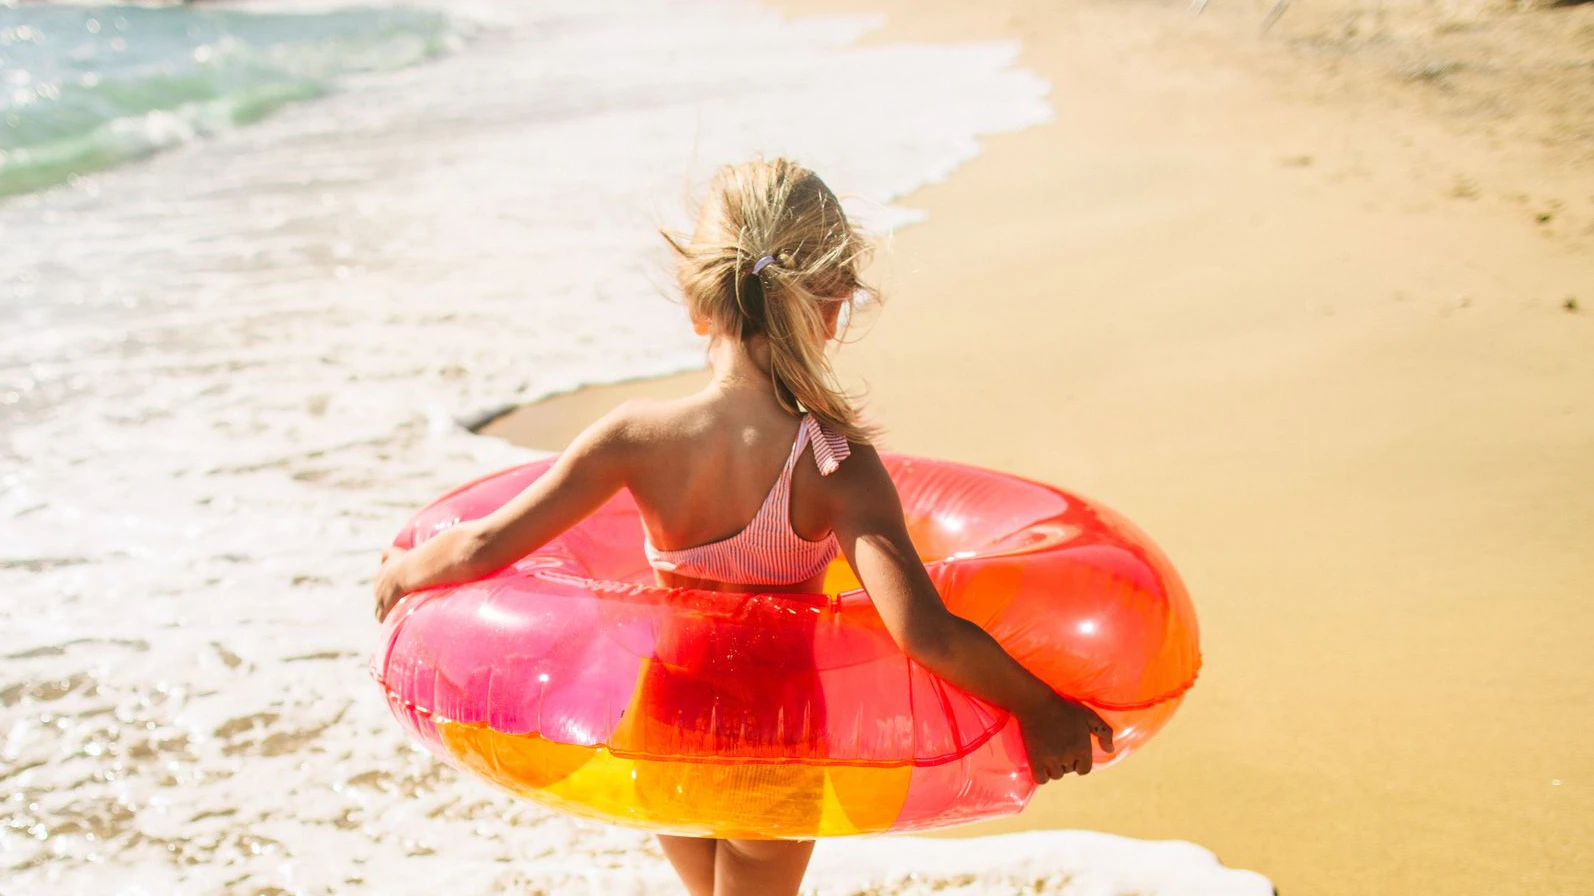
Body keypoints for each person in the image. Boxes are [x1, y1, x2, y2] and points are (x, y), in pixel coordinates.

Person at [372, 158, 1114, 896]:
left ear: (698, 303)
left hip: (664, 718)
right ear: (830, 307)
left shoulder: (632, 435)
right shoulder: (833, 462)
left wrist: (406, 571)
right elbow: (925, 631)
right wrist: (1042, 708)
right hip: (775, 736)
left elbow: (480, 545)